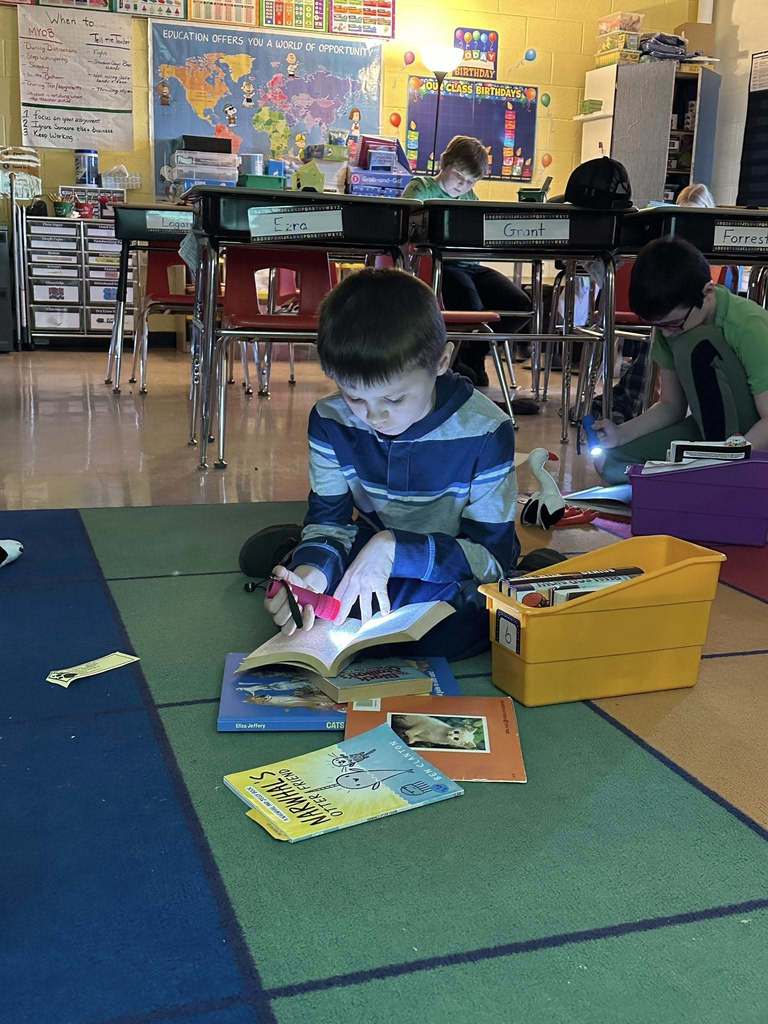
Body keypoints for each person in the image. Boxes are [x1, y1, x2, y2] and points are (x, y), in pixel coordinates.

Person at [260, 268, 521, 660]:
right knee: (309, 604)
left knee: (459, 627)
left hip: (452, 557)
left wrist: (393, 548)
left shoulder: (486, 430)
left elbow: (491, 559)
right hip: (370, 545)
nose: (374, 416)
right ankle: (301, 557)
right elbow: (330, 522)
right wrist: (311, 575)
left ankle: (296, 551)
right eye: (353, 397)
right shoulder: (330, 421)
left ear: (441, 361)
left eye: (395, 399)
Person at [592, 236, 768, 483]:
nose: (666, 333)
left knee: (694, 342)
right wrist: (620, 434)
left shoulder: (749, 324)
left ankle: (716, 473)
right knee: (611, 463)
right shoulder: (671, 328)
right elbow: (670, 406)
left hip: (753, 436)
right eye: (659, 325)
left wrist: (731, 459)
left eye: (673, 323)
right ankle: (699, 474)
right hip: (707, 430)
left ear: (707, 293)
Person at [402, 135, 532, 386]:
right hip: (438, 266)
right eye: (459, 176)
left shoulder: (471, 198)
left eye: (471, 181)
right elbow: (406, 228)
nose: (463, 185)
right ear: (445, 163)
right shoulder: (421, 188)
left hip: (469, 265)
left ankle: (472, 355)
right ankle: (462, 358)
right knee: (471, 305)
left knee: (519, 305)